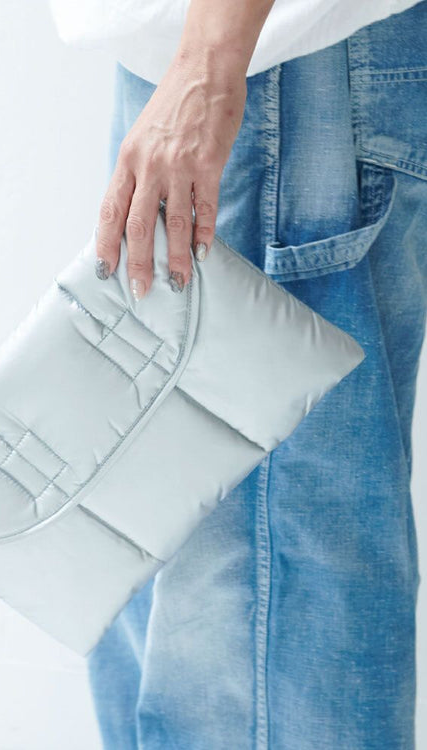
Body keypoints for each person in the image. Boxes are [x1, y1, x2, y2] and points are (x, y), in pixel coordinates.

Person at [49, 0, 427, 747]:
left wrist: (209, 64)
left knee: (247, 611)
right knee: (156, 548)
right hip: (211, 66)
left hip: (272, 78)